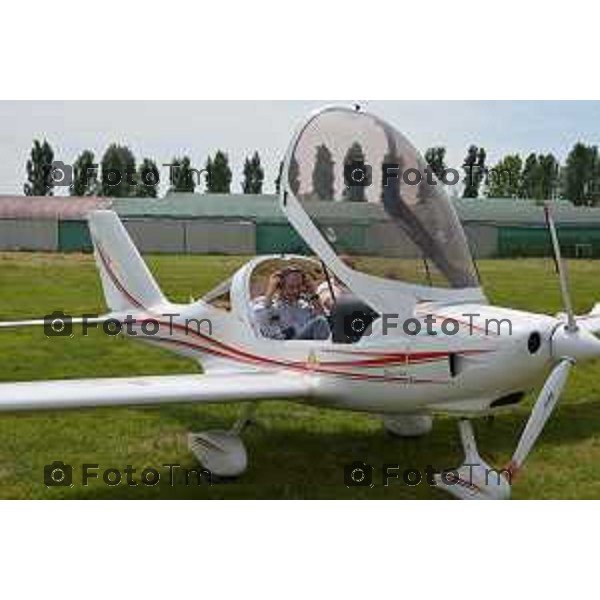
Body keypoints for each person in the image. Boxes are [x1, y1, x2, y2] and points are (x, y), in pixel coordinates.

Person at [252, 267, 330, 340]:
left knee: (322, 321)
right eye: (291, 287)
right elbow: (263, 321)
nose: (295, 291)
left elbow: (325, 324)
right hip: (283, 347)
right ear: (280, 286)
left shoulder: (305, 305)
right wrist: (270, 293)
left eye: (298, 286)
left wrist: (313, 293)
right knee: (320, 322)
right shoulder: (267, 305)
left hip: (307, 348)